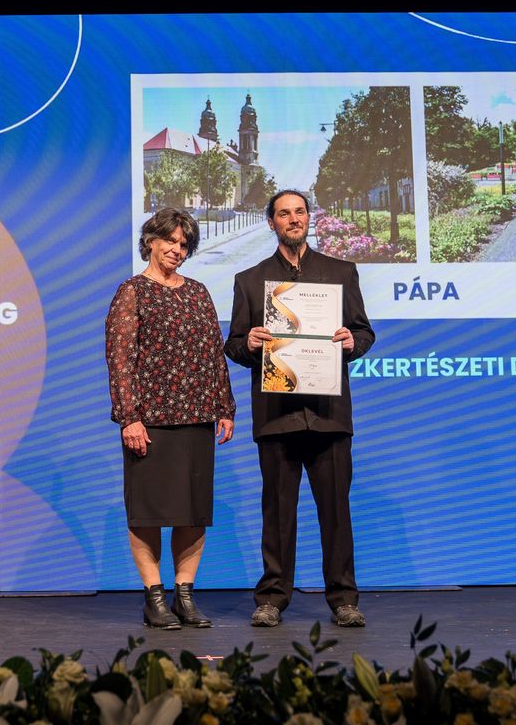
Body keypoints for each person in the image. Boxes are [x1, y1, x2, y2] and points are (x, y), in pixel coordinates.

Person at [224, 190, 375, 628]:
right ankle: (272, 598)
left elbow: (364, 333)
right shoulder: (250, 281)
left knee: (336, 513)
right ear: (271, 222)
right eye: (284, 213)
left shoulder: (341, 272)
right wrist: (250, 344)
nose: (294, 219)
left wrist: (353, 342)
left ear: (309, 217)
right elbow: (233, 344)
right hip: (277, 415)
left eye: (300, 212)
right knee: (277, 513)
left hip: (329, 415)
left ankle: (344, 599)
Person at [105, 208, 236, 629]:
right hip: (151, 421)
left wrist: (224, 407)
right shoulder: (132, 291)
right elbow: (120, 360)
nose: (177, 250)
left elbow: (214, 353)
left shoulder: (198, 292)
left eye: (184, 244)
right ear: (151, 241)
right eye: (171, 241)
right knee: (148, 513)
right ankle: (154, 598)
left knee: (192, 513)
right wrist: (129, 417)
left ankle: (185, 595)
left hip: (197, 417)